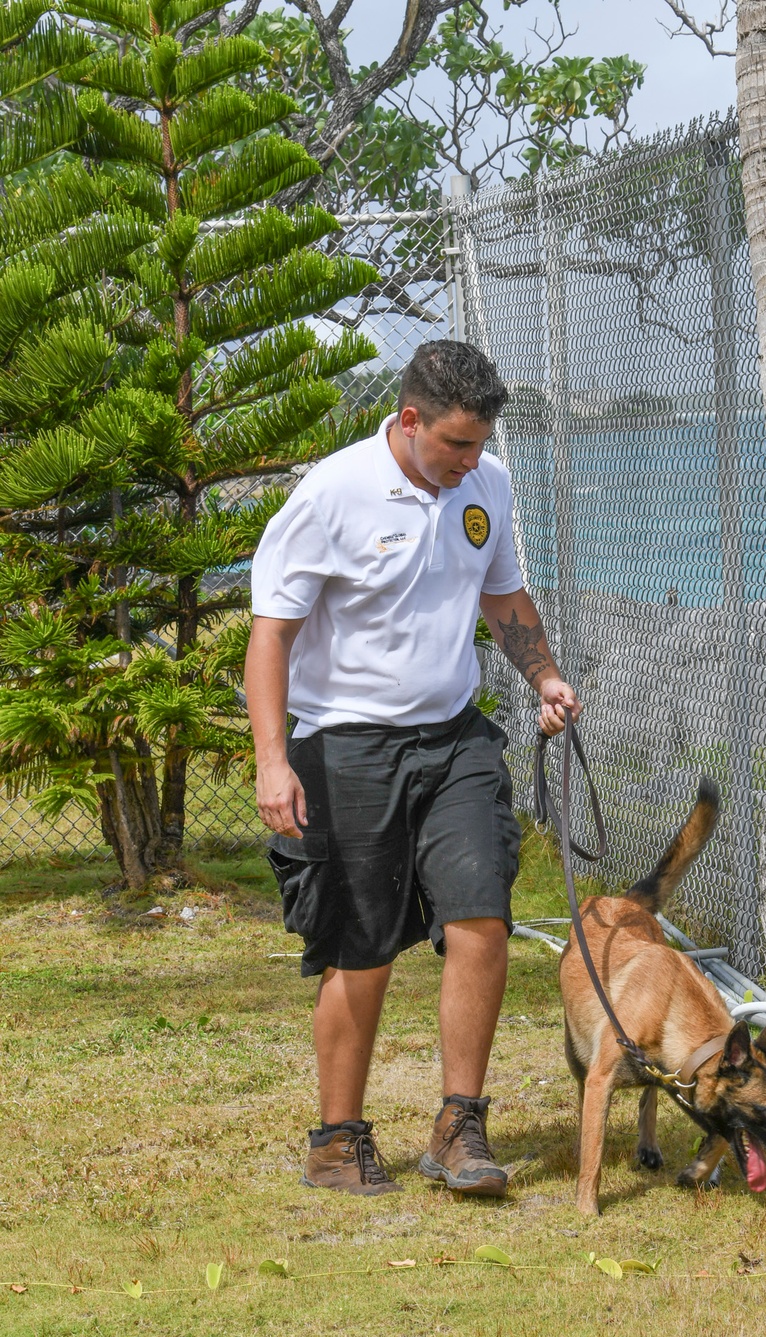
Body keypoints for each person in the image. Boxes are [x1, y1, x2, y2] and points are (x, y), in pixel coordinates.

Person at [245, 340, 580, 1199]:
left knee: (483, 920)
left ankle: (459, 1126)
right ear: (409, 421)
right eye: (456, 446)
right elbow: (271, 634)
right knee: (362, 952)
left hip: (454, 737)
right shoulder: (332, 493)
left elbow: (501, 595)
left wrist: (543, 674)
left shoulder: (487, 484)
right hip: (345, 744)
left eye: (479, 445)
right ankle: (337, 1140)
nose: (471, 462)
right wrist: (274, 762)